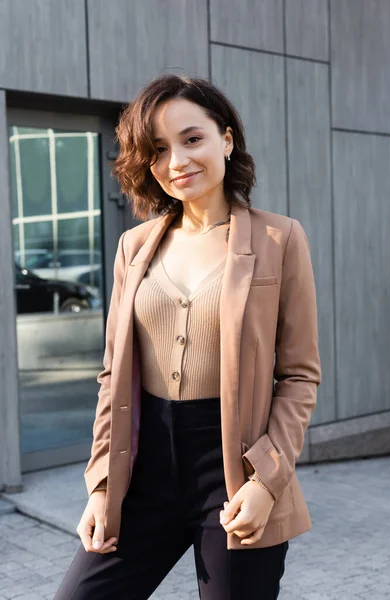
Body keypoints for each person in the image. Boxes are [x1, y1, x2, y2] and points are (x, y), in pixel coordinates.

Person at [53, 73, 321, 600]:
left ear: (225, 139)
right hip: (144, 471)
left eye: (191, 139)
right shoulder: (134, 246)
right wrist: (102, 486)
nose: (176, 162)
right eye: (157, 149)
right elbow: (113, 375)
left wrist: (267, 481)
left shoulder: (279, 239)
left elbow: (298, 374)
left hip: (233, 474)